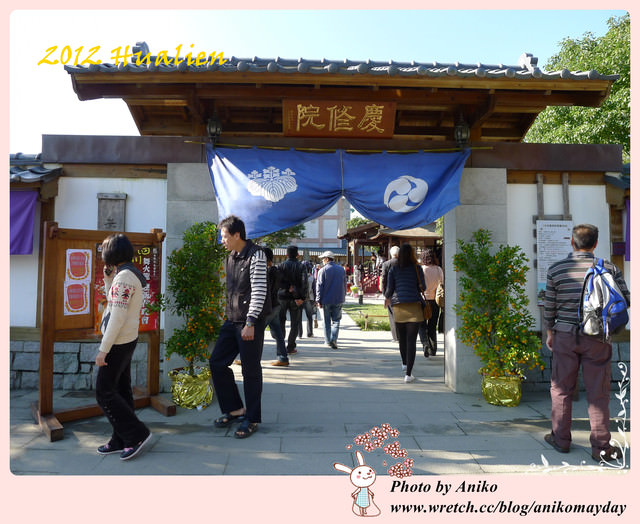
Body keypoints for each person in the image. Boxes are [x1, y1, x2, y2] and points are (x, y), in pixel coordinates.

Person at [543, 224, 630, 461]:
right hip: (598, 337)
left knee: (561, 389)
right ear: (595, 244)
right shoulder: (609, 267)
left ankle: (561, 439)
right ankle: (602, 447)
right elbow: (625, 299)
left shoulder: (556, 269)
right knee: (598, 391)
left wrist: (550, 332)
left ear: (572, 243)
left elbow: (549, 306)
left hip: (564, 335)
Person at [209, 215, 270, 439]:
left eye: (224, 236)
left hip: (249, 322)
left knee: (250, 370)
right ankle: (235, 409)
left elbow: (259, 290)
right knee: (216, 362)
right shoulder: (231, 257)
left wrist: (251, 322)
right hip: (231, 321)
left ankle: (252, 418)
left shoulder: (257, 255)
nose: (222, 240)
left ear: (237, 235)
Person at [95, 233, 152, 461]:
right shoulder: (126, 274)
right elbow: (116, 303)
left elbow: (117, 315)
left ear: (112, 253)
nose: (102, 253)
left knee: (104, 392)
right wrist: (109, 279)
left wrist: (103, 349)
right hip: (126, 338)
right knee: (120, 389)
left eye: (104, 249)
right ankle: (120, 438)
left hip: (117, 341)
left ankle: (136, 434)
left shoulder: (124, 278)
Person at [384, 243, 426, 383]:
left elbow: (389, 290)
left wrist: (386, 297)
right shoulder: (417, 268)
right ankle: (408, 374)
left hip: (399, 306)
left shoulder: (394, 270)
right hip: (414, 306)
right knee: (411, 341)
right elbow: (423, 288)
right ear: (412, 254)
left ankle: (404, 363)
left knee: (402, 338)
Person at [277, 245, 307, 355]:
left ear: (287, 254)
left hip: (282, 297)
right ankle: (290, 346)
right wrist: (303, 297)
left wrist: (286, 287)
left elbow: (277, 281)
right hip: (296, 297)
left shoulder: (281, 265)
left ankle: (280, 346)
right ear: (298, 255)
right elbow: (304, 283)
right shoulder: (301, 266)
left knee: (281, 322)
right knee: (295, 323)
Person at [263, 247, 289, 367]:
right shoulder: (277, 271)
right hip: (276, 304)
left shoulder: (267, 272)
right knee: (278, 333)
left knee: (256, 333)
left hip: (267, 306)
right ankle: (283, 357)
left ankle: (248, 359)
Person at [315, 250, 347, 349]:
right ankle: (334, 339)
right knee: (336, 321)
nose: (322, 261)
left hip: (326, 299)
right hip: (338, 298)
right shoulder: (341, 269)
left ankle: (328, 340)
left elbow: (319, 287)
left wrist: (318, 300)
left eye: (323, 259)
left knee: (326, 321)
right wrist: (343, 296)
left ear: (327, 259)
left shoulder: (322, 271)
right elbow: (344, 284)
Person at [419, 249, 444, 357]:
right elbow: (442, 284)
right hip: (435, 300)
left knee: (422, 324)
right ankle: (433, 349)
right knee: (433, 325)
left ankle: (425, 344)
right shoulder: (439, 269)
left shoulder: (421, 269)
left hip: (422, 299)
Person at [379, 245, 399, 342]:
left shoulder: (386, 264)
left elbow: (383, 279)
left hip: (390, 292)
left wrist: (384, 293)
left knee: (392, 314)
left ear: (391, 254)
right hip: (402, 291)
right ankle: (403, 335)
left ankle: (396, 337)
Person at [298, 260, 316, 338]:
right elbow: (314, 289)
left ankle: (299, 333)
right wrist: (315, 299)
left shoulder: (298, 277)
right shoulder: (311, 278)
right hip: (309, 299)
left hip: (299, 299)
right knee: (309, 317)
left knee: (299, 317)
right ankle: (309, 332)